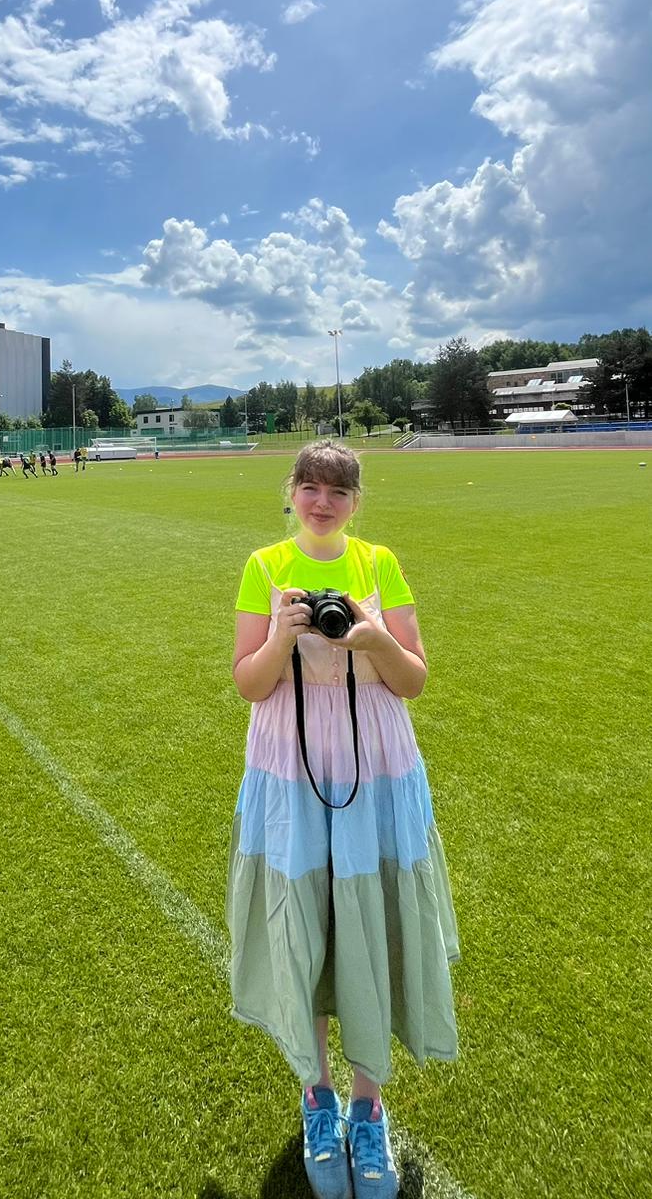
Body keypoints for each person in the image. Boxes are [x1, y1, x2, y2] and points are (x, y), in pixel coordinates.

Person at [228, 441, 458, 1199]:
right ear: (290, 492)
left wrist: (374, 636)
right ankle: (318, 1096)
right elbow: (250, 684)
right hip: (291, 763)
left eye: (338, 491)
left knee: (370, 918)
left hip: (375, 759)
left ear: (357, 502)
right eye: (310, 487)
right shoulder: (264, 566)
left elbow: (413, 679)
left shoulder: (378, 563)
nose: (322, 502)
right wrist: (281, 634)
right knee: (308, 919)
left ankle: (368, 1106)